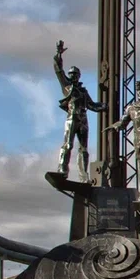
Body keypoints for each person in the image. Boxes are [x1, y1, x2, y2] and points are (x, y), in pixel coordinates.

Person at [53, 41, 105, 183]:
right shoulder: (67, 87)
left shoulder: (83, 91)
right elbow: (58, 70)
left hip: (83, 121)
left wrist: (104, 106)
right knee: (68, 145)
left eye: (75, 74)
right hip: (72, 119)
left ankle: (83, 176)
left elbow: (92, 105)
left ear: (79, 76)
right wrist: (59, 54)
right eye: (71, 74)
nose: (73, 76)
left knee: (83, 149)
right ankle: (62, 169)